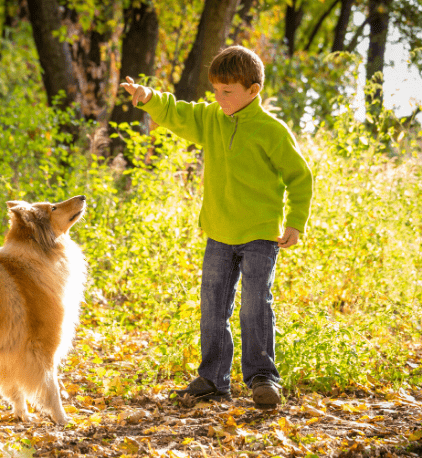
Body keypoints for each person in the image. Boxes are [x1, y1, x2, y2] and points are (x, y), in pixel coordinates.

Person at [120, 45, 312, 408]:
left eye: (228, 92)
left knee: (256, 306)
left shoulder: (272, 130)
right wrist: (148, 97)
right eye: (215, 91)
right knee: (213, 307)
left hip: (260, 234)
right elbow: (178, 112)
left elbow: (300, 177)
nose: (219, 98)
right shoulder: (210, 119)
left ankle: (262, 378)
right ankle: (212, 378)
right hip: (219, 233)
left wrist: (296, 222)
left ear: (253, 91)